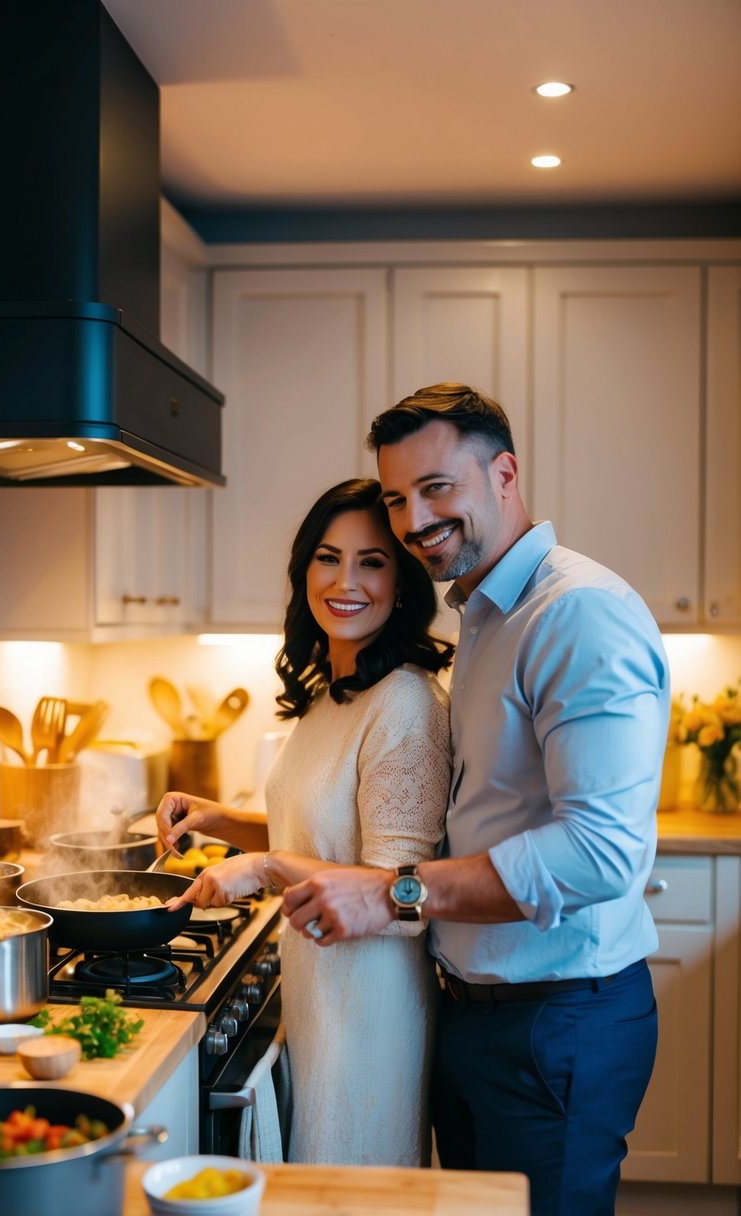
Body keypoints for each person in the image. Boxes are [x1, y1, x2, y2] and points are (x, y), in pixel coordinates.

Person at [282, 384, 670, 1216]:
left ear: (503, 473)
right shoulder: (488, 614)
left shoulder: (577, 614)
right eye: (396, 498)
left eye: (435, 488)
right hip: (476, 1014)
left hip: (557, 1022)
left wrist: (394, 890)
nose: (413, 518)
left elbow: (600, 853)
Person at [156, 477, 453, 1167]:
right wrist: (217, 821)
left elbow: (394, 893)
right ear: (304, 570)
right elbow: (315, 833)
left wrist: (261, 868)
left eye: (371, 561)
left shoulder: (405, 705)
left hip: (371, 1006)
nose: (344, 580)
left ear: (402, 582)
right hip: (322, 992)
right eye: (327, 557)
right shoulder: (332, 688)